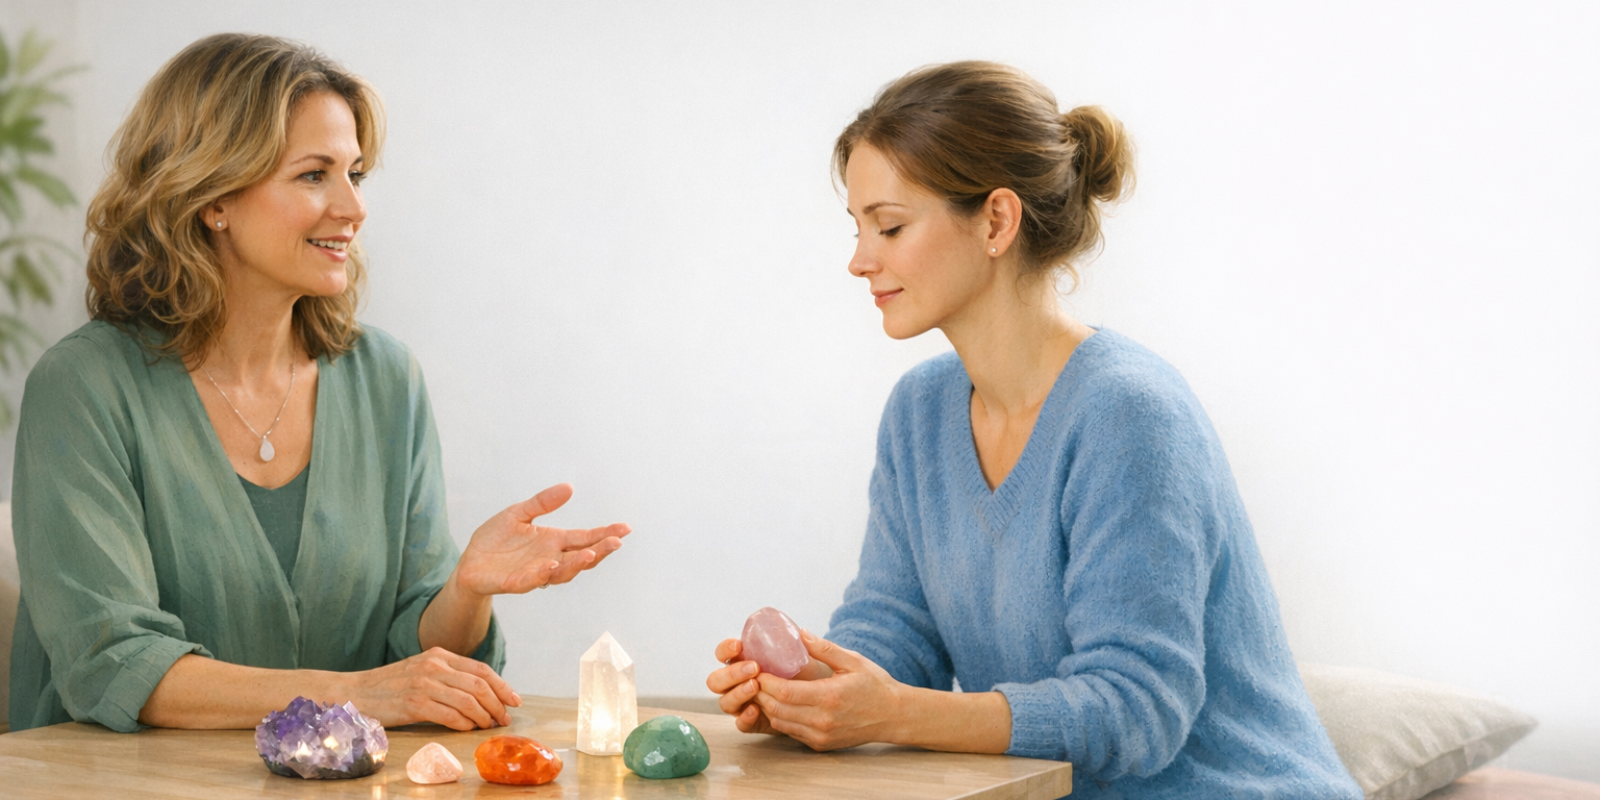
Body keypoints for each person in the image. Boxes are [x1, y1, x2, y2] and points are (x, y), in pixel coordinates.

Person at [705, 62, 1362, 799]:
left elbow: (1137, 710)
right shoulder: (919, 415)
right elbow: (898, 639)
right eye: (857, 228)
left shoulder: (1129, 415)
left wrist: (897, 713)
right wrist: (817, 689)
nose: (860, 260)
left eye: (889, 225)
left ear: (996, 221)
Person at [8, 33, 629, 734]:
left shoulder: (386, 381)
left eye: (355, 175)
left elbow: (414, 664)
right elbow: (113, 662)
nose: (353, 207)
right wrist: (355, 693)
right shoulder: (83, 387)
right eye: (313, 175)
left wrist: (465, 589)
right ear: (214, 197)